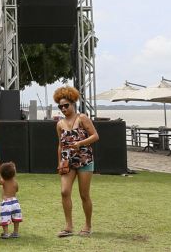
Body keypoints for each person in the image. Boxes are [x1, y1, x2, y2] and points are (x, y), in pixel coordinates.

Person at [54, 86, 99, 238]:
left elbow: (95, 136)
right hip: (68, 161)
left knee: (84, 194)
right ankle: (68, 226)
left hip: (85, 159)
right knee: (64, 191)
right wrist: (60, 162)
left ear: (73, 104)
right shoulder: (59, 124)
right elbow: (60, 145)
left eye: (66, 105)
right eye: (60, 106)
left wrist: (80, 143)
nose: (63, 108)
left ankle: (88, 225)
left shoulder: (82, 118)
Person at [0, 162, 22, 239]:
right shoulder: (15, 182)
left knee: (5, 218)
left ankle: (6, 233)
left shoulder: (4, 181)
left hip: (6, 202)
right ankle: (16, 232)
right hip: (15, 202)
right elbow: (16, 190)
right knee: (16, 218)